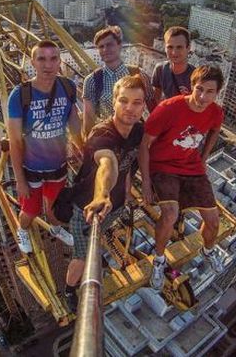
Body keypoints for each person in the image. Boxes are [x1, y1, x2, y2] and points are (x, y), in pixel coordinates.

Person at [63, 75, 147, 312]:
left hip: (114, 206)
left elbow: (127, 164)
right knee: (81, 257)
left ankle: (94, 249)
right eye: (124, 101)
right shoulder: (102, 134)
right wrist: (102, 194)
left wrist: (126, 191)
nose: (130, 108)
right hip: (87, 209)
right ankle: (69, 290)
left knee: (98, 236)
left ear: (143, 106)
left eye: (137, 102)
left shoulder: (138, 131)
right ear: (114, 102)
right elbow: (107, 165)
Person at [138, 65, 226, 290]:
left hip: (192, 167)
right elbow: (144, 145)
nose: (202, 97)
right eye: (199, 89)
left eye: (209, 92)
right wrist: (146, 182)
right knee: (170, 215)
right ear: (191, 87)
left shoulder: (215, 112)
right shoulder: (169, 108)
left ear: (217, 93)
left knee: (213, 221)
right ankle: (159, 259)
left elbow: (215, 130)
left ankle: (208, 250)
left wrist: (204, 158)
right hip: (163, 166)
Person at [6, 40, 82, 254]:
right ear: (33, 62)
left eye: (53, 58)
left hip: (58, 166)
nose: (48, 65)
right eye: (41, 59)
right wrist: (20, 180)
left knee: (54, 207)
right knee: (30, 210)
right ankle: (22, 230)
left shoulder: (67, 87)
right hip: (32, 169)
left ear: (59, 61)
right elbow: (15, 141)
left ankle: (55, 228)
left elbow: (74, 124)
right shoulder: (20, 95)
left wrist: (82, 148)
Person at [81, 25, 156, 138]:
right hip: (107, 135)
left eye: (110, 44)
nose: (105, 49)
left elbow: (152, 108)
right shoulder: (92, 80)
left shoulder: (138, 74)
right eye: (101, 46)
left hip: (135, 134)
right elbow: (89, 117)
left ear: (120, 45)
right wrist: (89, 141)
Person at [152, 26, 196, 103]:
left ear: (188, 48)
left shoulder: (196, 75)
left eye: (179, 47)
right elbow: (156, 98)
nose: (174, 52)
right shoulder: (160, 69)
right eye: (170, 47)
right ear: (165, 48)